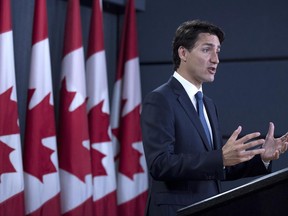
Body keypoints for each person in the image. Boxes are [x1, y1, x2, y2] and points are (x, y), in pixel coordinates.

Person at [140, 20, 288, 216]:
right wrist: (219, 158)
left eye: (218, 51)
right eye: (207, 50)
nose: (216, 59)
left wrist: (262, 158)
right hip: (176, 211)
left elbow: (216, 167)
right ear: (183, 53)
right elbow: (160, 164)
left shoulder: (208, 104)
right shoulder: (160, 99)